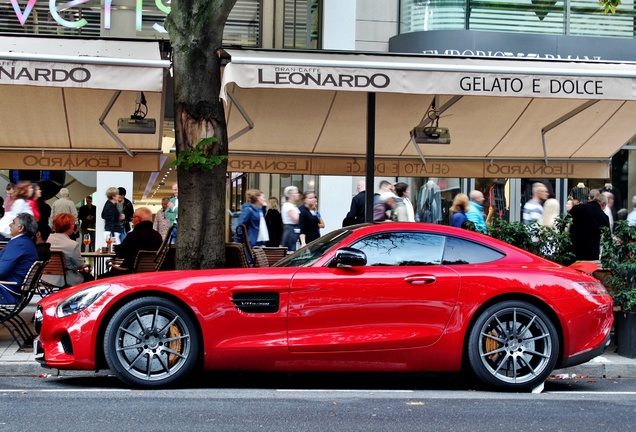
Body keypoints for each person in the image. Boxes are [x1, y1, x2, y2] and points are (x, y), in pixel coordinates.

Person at [99, 207, 163, 278]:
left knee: (100, 279)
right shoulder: (157, 236)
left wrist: (116, 248)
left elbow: (120, 253)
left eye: (133, 217)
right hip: (150, 275)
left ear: (138, 219)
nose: (132, 220)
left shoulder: (133, 235)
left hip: (128, 273)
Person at [43, 213, 93, 287]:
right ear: (70, 227)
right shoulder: (72, 244)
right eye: (73, 224)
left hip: (46, 278)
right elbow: (80, 265)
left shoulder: (47, 240)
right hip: (66, 279)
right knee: (89, 278)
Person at [0, 213, 38, 304]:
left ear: (21, 228)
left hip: (7, 292)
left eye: (13, 223)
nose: (10, 225)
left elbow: (1, 271)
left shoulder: (19, 244)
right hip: (13, 290)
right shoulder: (25, 243)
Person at [569, 193, 610, 261]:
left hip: (573, 250)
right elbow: (607, 238)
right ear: (603, 204)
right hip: (591, 253)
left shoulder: (576, 208)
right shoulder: (603, 216)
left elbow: (566, 223)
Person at [280, 186, 301, 251]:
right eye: (296, 193)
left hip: (294, 229)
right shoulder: (288, 205)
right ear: (290, 195)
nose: (298, 194)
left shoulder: (293, 206)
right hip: (291, 229)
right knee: (291, 249)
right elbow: (296, 219)